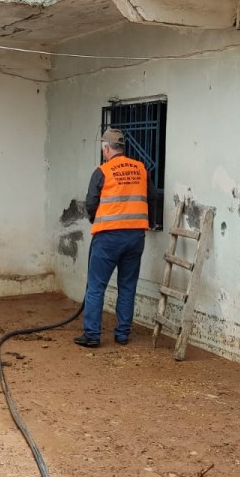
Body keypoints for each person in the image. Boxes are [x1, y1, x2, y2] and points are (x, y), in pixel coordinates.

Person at [74, 128, 158, 348]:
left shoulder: (102, 171)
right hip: (135, 236)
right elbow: (152, 197)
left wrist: (96, 218)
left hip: (108, 237)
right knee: (127, 285)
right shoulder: (141, 168)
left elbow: (91, 202)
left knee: (96, 285)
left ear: (106, 148)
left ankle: (92, 335)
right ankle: (122, 334)